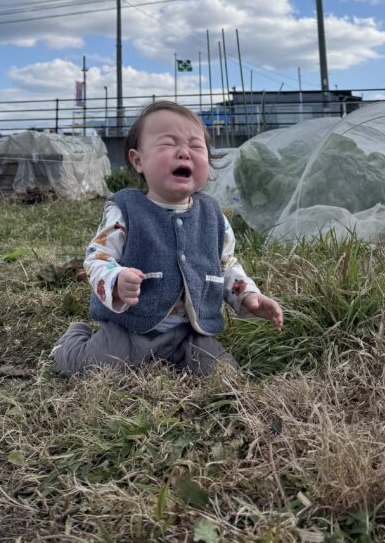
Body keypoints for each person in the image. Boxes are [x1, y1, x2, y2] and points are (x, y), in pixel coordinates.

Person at [52, 100, 283, 376]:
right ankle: (74, 338)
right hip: (129, 326)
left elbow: (226, 265)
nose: (184, 152)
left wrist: (247, 295)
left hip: (188, 332)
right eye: (168, 144)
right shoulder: (125, 209)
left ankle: (185, 356)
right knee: (94, 367)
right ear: (138, 160)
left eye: (196, 146)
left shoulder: (212, 215)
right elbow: (98, 256)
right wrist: (116, 280)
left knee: (223, 372)